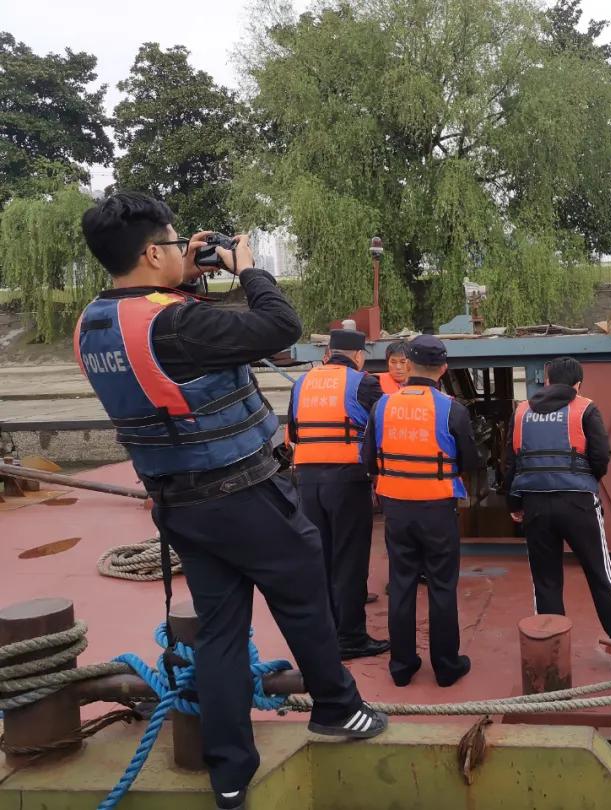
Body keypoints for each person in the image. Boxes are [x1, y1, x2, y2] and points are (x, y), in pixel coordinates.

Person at [77, 192, 386, 810]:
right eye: (170, 245)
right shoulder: (178, 323)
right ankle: (337, 708)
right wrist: (248, 268)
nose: (178, 252)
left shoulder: (96, 323)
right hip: (242, 496)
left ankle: (229, 772)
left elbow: (173, 337)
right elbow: (279, 327)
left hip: (178, 503)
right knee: (305, 594)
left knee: (220, 632)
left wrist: (185, 274)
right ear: (148, 252)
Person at [363, 335, 479, 687]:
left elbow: (368, 459)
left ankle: (401, 667)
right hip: (437, 508)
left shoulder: (382, 406)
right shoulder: (451, 409)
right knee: (442, 586)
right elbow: (471, 461)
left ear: (408, 366)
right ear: (443, 369)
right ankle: (446, 667)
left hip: (396, 509)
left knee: (401, 584)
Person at [503, 357, 611, 665]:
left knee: (545, 580)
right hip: (578, 503)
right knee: (600, 573)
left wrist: (514, 503)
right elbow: (602, 454)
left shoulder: (521, 411)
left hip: (534, 502)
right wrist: (586, 480)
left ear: (546, 381)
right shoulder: (585, 408)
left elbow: (510, 461)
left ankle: (550, 652)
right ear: (578, 384)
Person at [287, 329, 390, 660]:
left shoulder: (302, 382)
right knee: (349, 560)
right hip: (346, 480)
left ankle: (327, 634)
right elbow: (381, 429)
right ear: (359, 356)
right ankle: (351, 638)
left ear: (330, 351)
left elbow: (293, 427)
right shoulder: (363, 382)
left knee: (322, 559)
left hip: (306, 480)